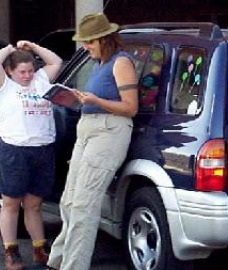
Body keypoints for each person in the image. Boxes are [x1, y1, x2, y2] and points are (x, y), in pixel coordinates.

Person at [46, 13, 138, 270]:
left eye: (89, 41)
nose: (85, 46)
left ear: (104, 39)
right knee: (69, 201)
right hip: (88, 130)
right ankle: (58, 261)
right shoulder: (99, 63)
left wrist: (95, 101)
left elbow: (130, 107)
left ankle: (73, 266)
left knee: (84, 206)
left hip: (109, 132)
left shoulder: (121, 62)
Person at [0, 41, 63, 270]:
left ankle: (39, 249)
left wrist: (33, 47)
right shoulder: (5, 85)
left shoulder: (41, 80)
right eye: (21, 72)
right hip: (15, 149)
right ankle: (11, 250)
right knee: (11, 202)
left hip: (43, 148)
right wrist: (10, 48)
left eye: (30, 70)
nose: (27, 76)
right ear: (10, 71)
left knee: (34, 204)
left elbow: (56, 61)